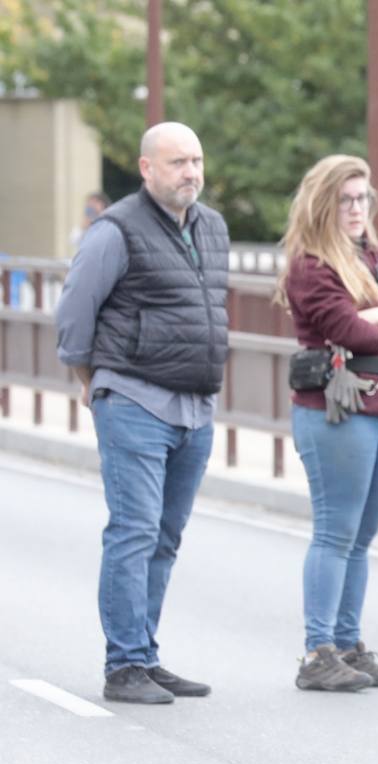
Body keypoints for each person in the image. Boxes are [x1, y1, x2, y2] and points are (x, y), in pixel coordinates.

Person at [54, 122, 227, 704]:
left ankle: (145, 655)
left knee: (165, 536)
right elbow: (75, 309)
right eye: (178, 162)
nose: (191, 173)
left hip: (195, 407)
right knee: (134, 531)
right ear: (147, 168)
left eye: (197, 161)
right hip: (133, 400)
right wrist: (89, 378)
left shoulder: (212, 228)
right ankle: (123, 663)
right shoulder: (116, 230)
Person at [275, 154, 378, 692]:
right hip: (338, 411)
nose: (356, 208)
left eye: (363, 198)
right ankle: (316, 652)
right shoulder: (310, 265)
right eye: (344, 199)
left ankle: (347, 642)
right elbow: (352, 332)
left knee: (361, 538)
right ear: (323, 203)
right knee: (335, 531)